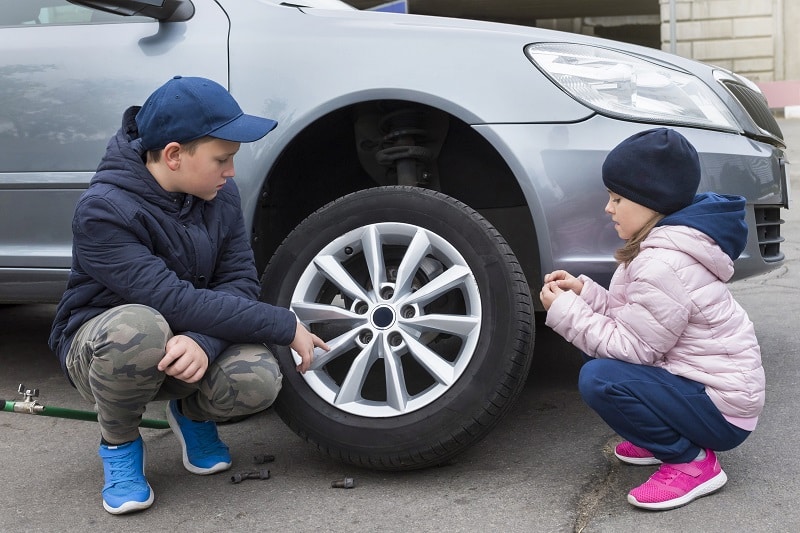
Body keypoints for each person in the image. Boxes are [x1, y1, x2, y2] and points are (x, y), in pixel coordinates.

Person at [48, 76, 329, 515]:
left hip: (184, 339)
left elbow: (238, 283)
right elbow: (171, 300)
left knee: (257, 376)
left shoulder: (221, 196)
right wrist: (284, 324)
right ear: (175, 154)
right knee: (139, 327)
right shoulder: (102, 211)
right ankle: (118, 445)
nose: (231, 171)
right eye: (222, 159)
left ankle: (191, 416)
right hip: (103, 349)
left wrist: (204, 341)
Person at [539, 127, 765, 511]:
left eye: (617, 198)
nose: (607, 208)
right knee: (595, 354)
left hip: (722, 410)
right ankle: (660, 435)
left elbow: (635, 348)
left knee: (599, 377)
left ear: (650, 203)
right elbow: (635, 319)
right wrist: (584, 294)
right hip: (701, 387)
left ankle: (692, 463)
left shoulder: (663, 263)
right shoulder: (660, 247)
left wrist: (565, 313)